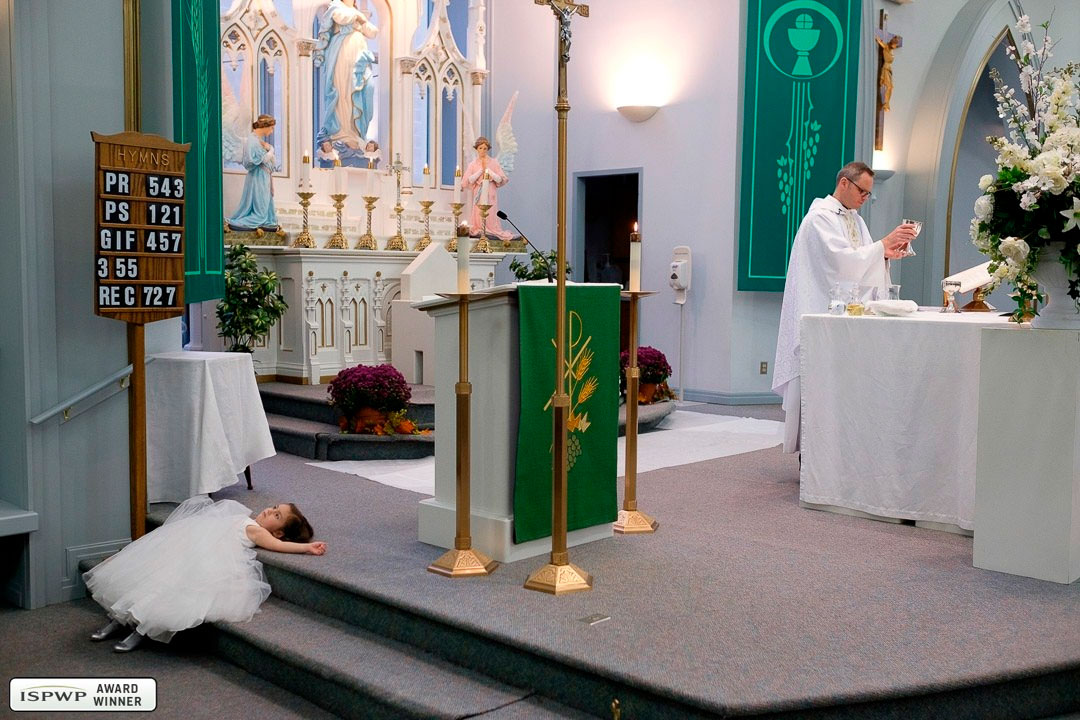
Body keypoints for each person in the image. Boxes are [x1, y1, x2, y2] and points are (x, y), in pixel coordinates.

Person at [772, 162, 915, 454]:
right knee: (822, 388)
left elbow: (860, 261)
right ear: (844, 183)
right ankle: (813, 456)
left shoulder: (855, 220)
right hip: (821, 317)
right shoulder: (819, 219)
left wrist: (884, 254)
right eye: (862, 191)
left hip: (848, 321)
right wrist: (882, 244)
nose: (865, 198)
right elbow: (840, 264)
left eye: (869, 194)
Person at [83, 497, 326, 652]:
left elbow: (279, 547)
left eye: (277, 516)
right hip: (194, 549)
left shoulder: (257, 531)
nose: (269, 511)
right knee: (153, 578)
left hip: (210, 560)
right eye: (274, 508)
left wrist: (306, 548)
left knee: (169, 588)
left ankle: (140, 630)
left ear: (279, 532)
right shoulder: (243, 516)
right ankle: (118, 620)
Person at [314, 0, 378, 158]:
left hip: (360, 54)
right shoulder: (336, 6)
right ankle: (342, 133)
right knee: (342, 90)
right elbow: (341, 17)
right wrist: (359, 17)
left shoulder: (356, 13)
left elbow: (373, 32)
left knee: (366, 88)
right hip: (342, 51)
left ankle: (355, 132)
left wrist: (361, 18)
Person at [226, 115, 279, 231]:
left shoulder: (259, 141)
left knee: (265, 210)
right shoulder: (252, 140)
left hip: (264, 177)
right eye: (272, 128)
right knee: (260, 212)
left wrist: (270, 151)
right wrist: (271, 150)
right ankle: (236, 223)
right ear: (266, 126)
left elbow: (271, 161)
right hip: (258, 177)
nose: (272, 131)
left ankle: (266, 223)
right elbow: (256, 160)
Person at [462, 136, 514, 241]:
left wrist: (489, 171)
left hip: (490, 192)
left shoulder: (493, 162)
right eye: (480, 148)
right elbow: (468, 180)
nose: (482, 150)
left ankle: (491, 229)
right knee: (478, 211)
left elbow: (500, 179)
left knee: (491, 211)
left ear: (488, 149)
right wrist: (481, 171)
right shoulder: (473, 164)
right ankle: (479, 228)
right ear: (477, 149)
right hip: (479, 192)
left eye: (485, 148)